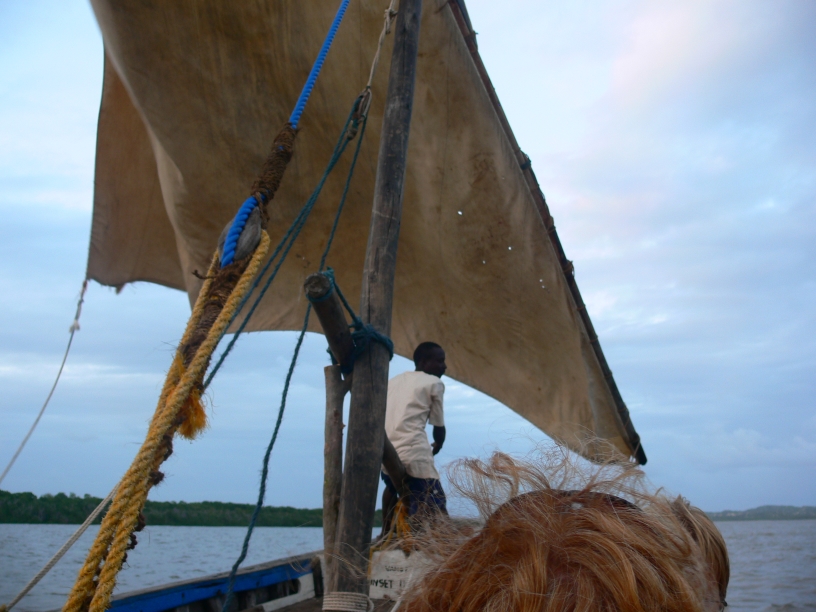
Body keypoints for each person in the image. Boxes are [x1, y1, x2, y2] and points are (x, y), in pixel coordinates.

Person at [381, 341, 448, 532]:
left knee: (393, 488)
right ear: (424, 362)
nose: (444, 366)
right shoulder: (434, 383)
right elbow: (438, 426)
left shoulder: (393, 382)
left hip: (386, 453)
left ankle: (385, 532)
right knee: (434, 499)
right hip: (414, 452)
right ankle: (424, 539)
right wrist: (439, 444)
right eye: (440, 361)